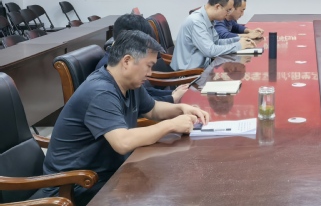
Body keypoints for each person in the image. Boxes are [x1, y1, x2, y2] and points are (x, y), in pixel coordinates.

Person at [34, 30, 209, 206]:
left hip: (106, 174)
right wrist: (170, 125)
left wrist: (180, 108)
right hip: (74, 186)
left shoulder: (129, 84)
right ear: (126, 61)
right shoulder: (101, 92)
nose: (150, 73)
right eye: (148, 66)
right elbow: (122, 142)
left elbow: (153, 109)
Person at [96, 14, 188, 103]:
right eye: (144, 40)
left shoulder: (122, 58)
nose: (149, 73)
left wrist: (173, 93)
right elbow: (140, 105)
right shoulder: (111, 68)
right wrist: (172, 98)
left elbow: (143, 94)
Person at [171, 0, 255, 70]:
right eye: (228, 10)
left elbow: (216, 42)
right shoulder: (196, 21)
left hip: (202, 68)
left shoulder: (209, 19)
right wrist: (238, 46)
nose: (228, 14)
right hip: (188, 73)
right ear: (218, 6)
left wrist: (238, 40)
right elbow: (210, 51)